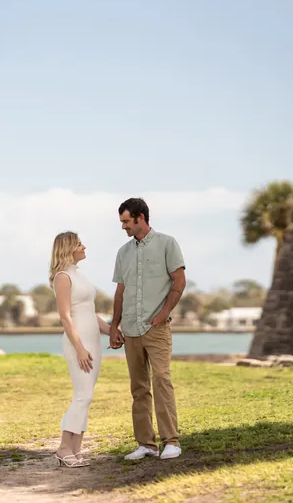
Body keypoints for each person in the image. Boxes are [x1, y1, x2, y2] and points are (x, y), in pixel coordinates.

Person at [109, 197, 186, 460]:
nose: (123, 227)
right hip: (130, 329)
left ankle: (171, 441)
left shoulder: (167, 243)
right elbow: (120, 291)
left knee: (162, 379)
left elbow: (179, 282)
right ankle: (146, 444)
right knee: (138, 387)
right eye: (122, 222)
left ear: (141, 218)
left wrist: (163, 314)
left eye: (126, 221)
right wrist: (114, 326)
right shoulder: (123, 253)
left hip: (156, 328)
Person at [50, 231, 112, 468]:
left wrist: (110, 331)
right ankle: (64, 447)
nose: (84, 246)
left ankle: (76, 449)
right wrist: (79, 348)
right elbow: (65, 317)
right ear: (68, 248)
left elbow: (89, 312)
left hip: (92, 340)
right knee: (82, 395)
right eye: (79, 244)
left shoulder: (80, 276)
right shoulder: (63, 277)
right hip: (78, 343)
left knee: (87, 396)